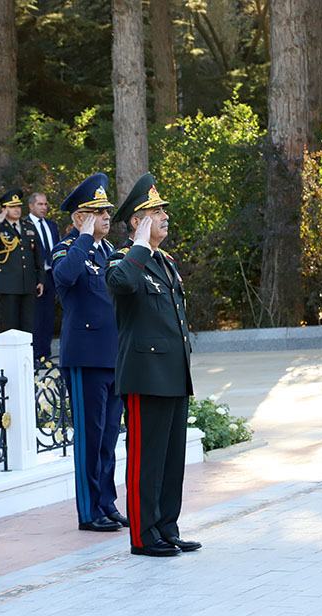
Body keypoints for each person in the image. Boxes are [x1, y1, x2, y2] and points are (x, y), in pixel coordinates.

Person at [105, 173, 199, 558]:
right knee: (146, 459)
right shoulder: (124, 259)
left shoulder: (165, 262)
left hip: (173, 374)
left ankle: (167, 527)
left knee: (171, 458)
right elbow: (122, 283)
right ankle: (144, 536)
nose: (165, 217)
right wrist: (140, 246)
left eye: (163, 211)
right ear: (136, 222)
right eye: (155, 212)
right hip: (145, 376)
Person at [51, 173, 127, 533]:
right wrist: (82, 237)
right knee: (89, 436)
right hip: (85, 356)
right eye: (98, 212)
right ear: (79, 218)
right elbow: (65, 277)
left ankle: (106, 503)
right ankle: (88, 510)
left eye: (107, 210)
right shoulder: (67, 248)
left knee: (109, 436)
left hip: (113, 356)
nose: (107, 216)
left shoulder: (108, 251)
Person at [0, 188, 45, 335]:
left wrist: (41, 280)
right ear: (3, 209)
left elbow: (38, 256)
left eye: (18, 206)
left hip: (28, 283)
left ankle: (28, 351)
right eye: (12, 207)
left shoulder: (29, 227)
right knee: (11, 327)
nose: (17, 210)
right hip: (8, 285)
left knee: (28, 326)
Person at [28, 192, 61, 362]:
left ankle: (45, 356)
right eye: (40, 204)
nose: (44, 207)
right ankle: (34, 355)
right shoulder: (25, 225)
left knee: (48, 316)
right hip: (34, 277)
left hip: (51, 275)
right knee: (36, 317)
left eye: (45, 204)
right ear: (31, 206)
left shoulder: (51, 225)